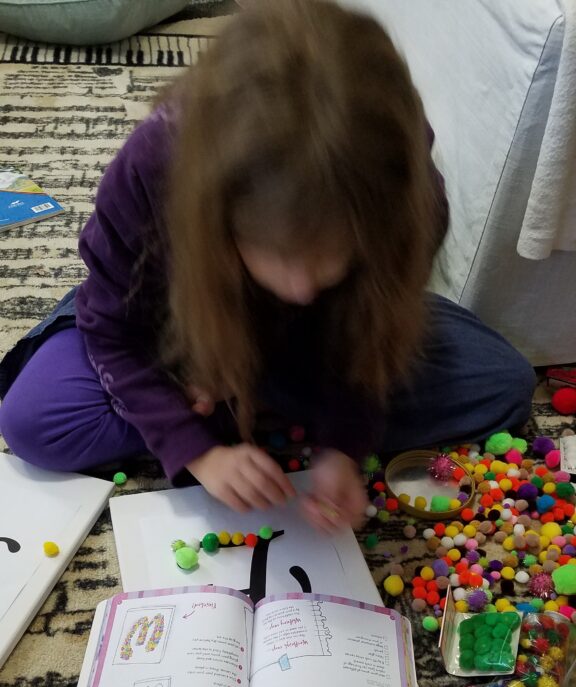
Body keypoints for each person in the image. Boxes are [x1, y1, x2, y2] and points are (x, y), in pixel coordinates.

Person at [0, 0, 535, 532]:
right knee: (33, 420)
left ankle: (249, 403)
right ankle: (240, 403)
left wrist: (343, 447)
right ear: (219, 217)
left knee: (502, 384)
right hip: (170, 324)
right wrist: (197, 451)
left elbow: (369, 336)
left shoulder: (405, 199)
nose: (302, 287)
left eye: (331, 258)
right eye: (279, 256)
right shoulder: (152, 172)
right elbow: (112, 328)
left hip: (309, 348)